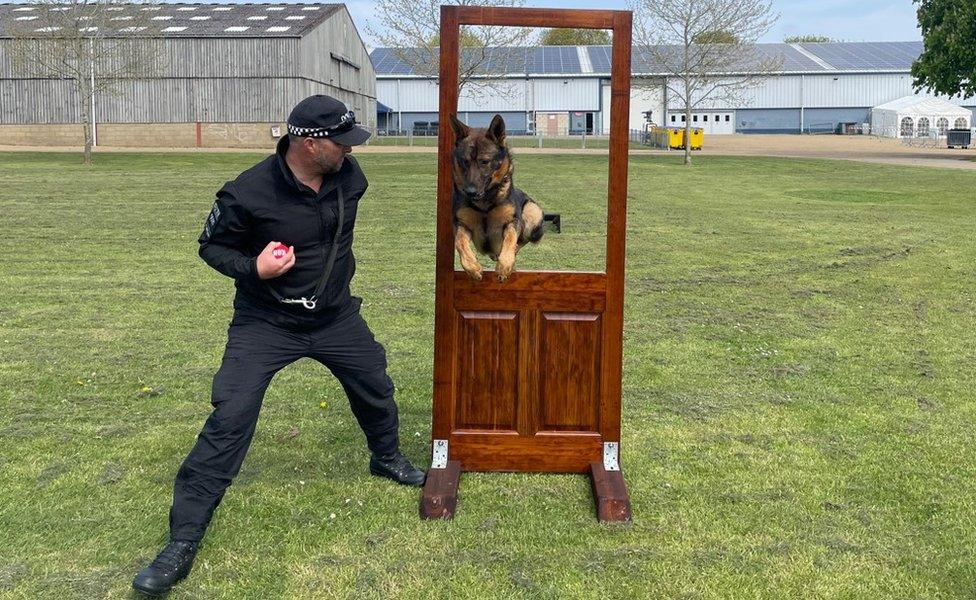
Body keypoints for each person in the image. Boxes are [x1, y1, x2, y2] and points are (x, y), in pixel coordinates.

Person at [132, 95, 425, 596]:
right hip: (266, 323)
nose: (352, 152)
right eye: (343, 142)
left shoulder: (349, 179)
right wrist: (255, 268)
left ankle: (386, 456)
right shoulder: (246, 193)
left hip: (335, 318)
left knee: (375, 384)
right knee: (231, 415)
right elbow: (211, 245)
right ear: (310, 144)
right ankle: (181, 541)